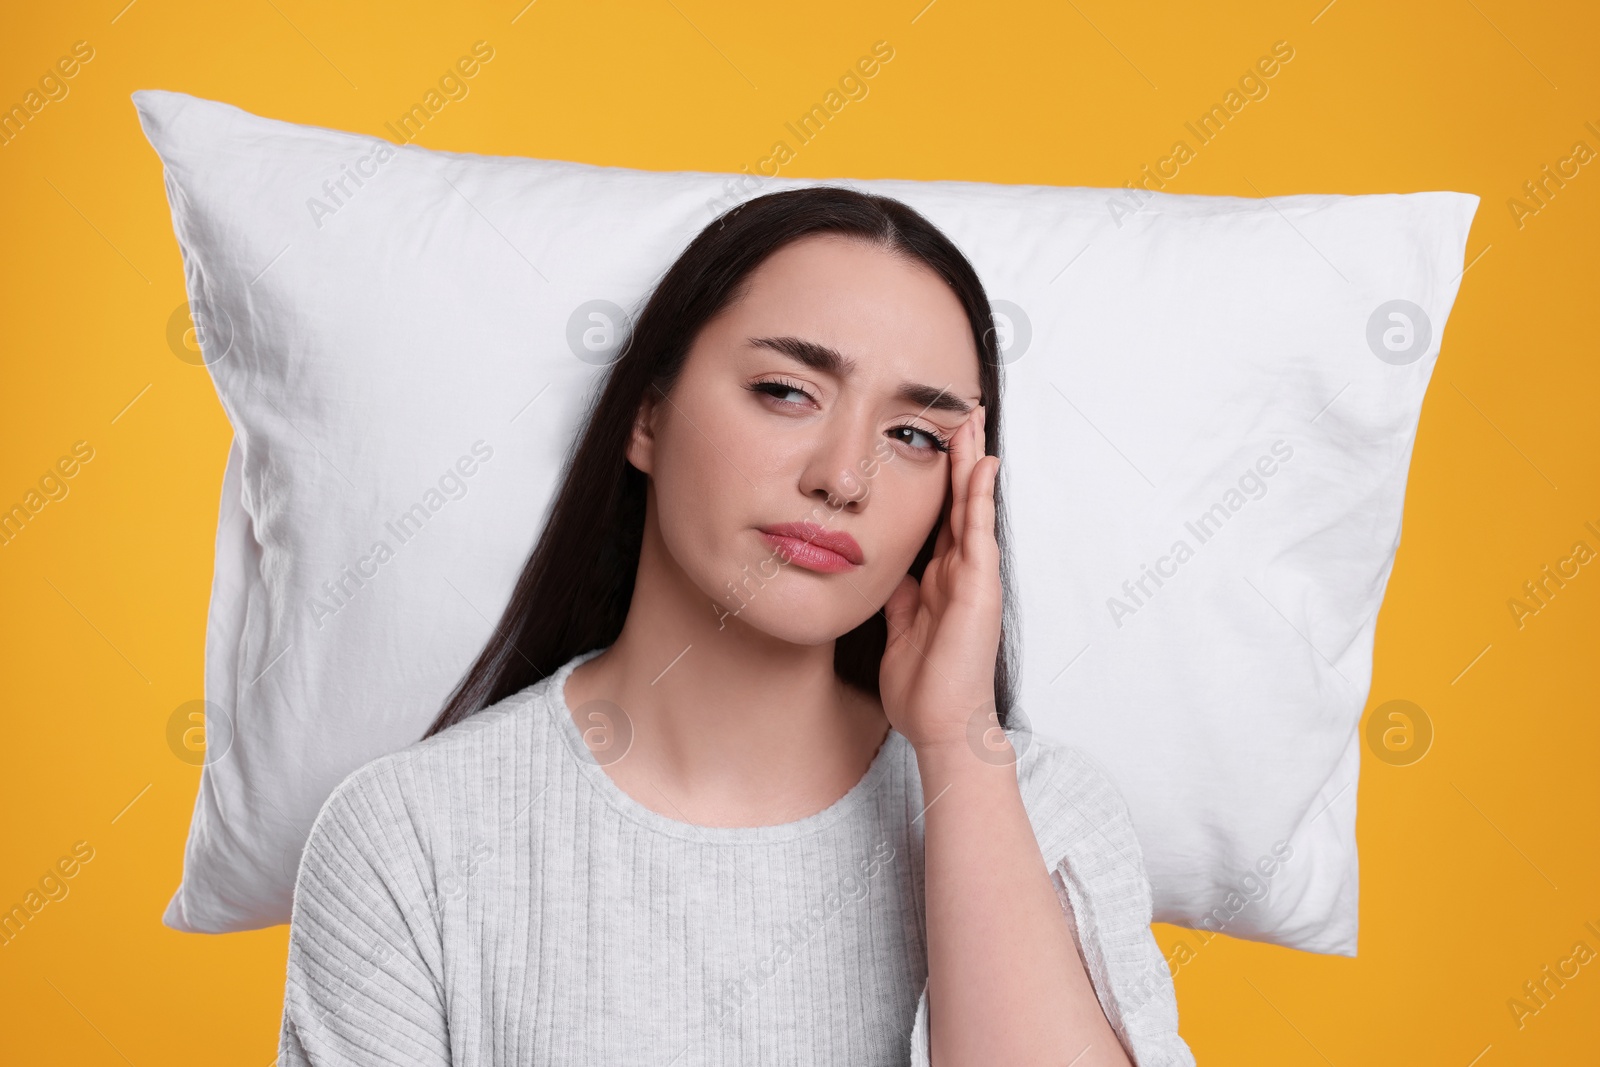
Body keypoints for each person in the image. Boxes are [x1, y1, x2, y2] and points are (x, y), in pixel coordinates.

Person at [277, 185, 1195, 1066]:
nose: (845, 479)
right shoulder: (410, 840)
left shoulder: (1041, 812)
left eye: (914, 435)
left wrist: (958, 746)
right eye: (787, 390)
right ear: (646, 411)